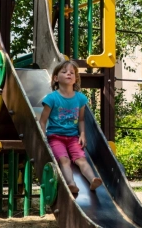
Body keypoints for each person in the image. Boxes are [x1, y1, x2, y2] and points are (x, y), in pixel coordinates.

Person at [39, 60, 102, 197]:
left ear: (76, 78)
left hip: (73, 137)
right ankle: (71, 183)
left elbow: (81, 119)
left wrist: (83, 134)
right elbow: (42, 121)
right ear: (56, 78)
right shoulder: (52, 98)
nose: (69, 74)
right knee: (64, 160)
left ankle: (93, 179)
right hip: (55, 137)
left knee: (81, 160)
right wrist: (43, 138)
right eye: (64, 72)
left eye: (72, 73)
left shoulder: (80, 99)